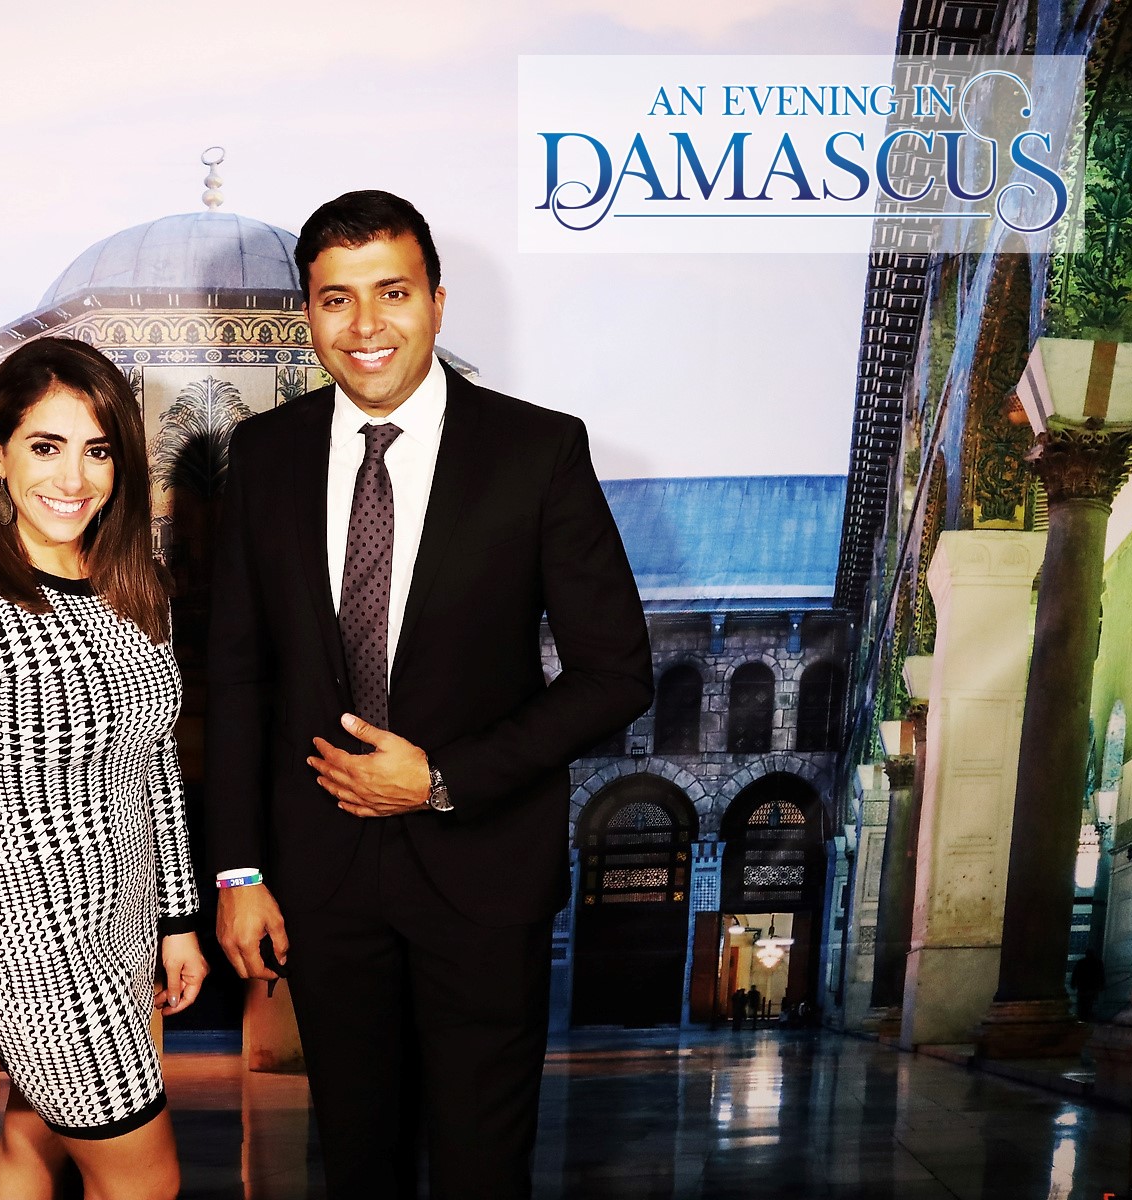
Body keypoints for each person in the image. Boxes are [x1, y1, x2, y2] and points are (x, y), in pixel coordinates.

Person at [207, 190, 653, 1199]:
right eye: (336, 299)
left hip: (483, 872)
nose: (365, 325)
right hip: (320, 883)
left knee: (479, 1168)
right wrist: (238, 872)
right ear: (309, 314)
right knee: (356, 1162)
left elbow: (615, 672)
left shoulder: (537, 451)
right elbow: (237, 677)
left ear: (438, 302)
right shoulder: (264, 459)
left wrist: (442, 778)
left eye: (393, 292)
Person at [0, 336, 210, 1200]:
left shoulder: (135, 589)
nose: (74, 478)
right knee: (145, 1184)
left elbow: (155, 769)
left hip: (125, 930)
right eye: (46, 446)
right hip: (39, 950)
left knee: (29, 1147)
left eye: (97, 451)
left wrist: (178, 920)